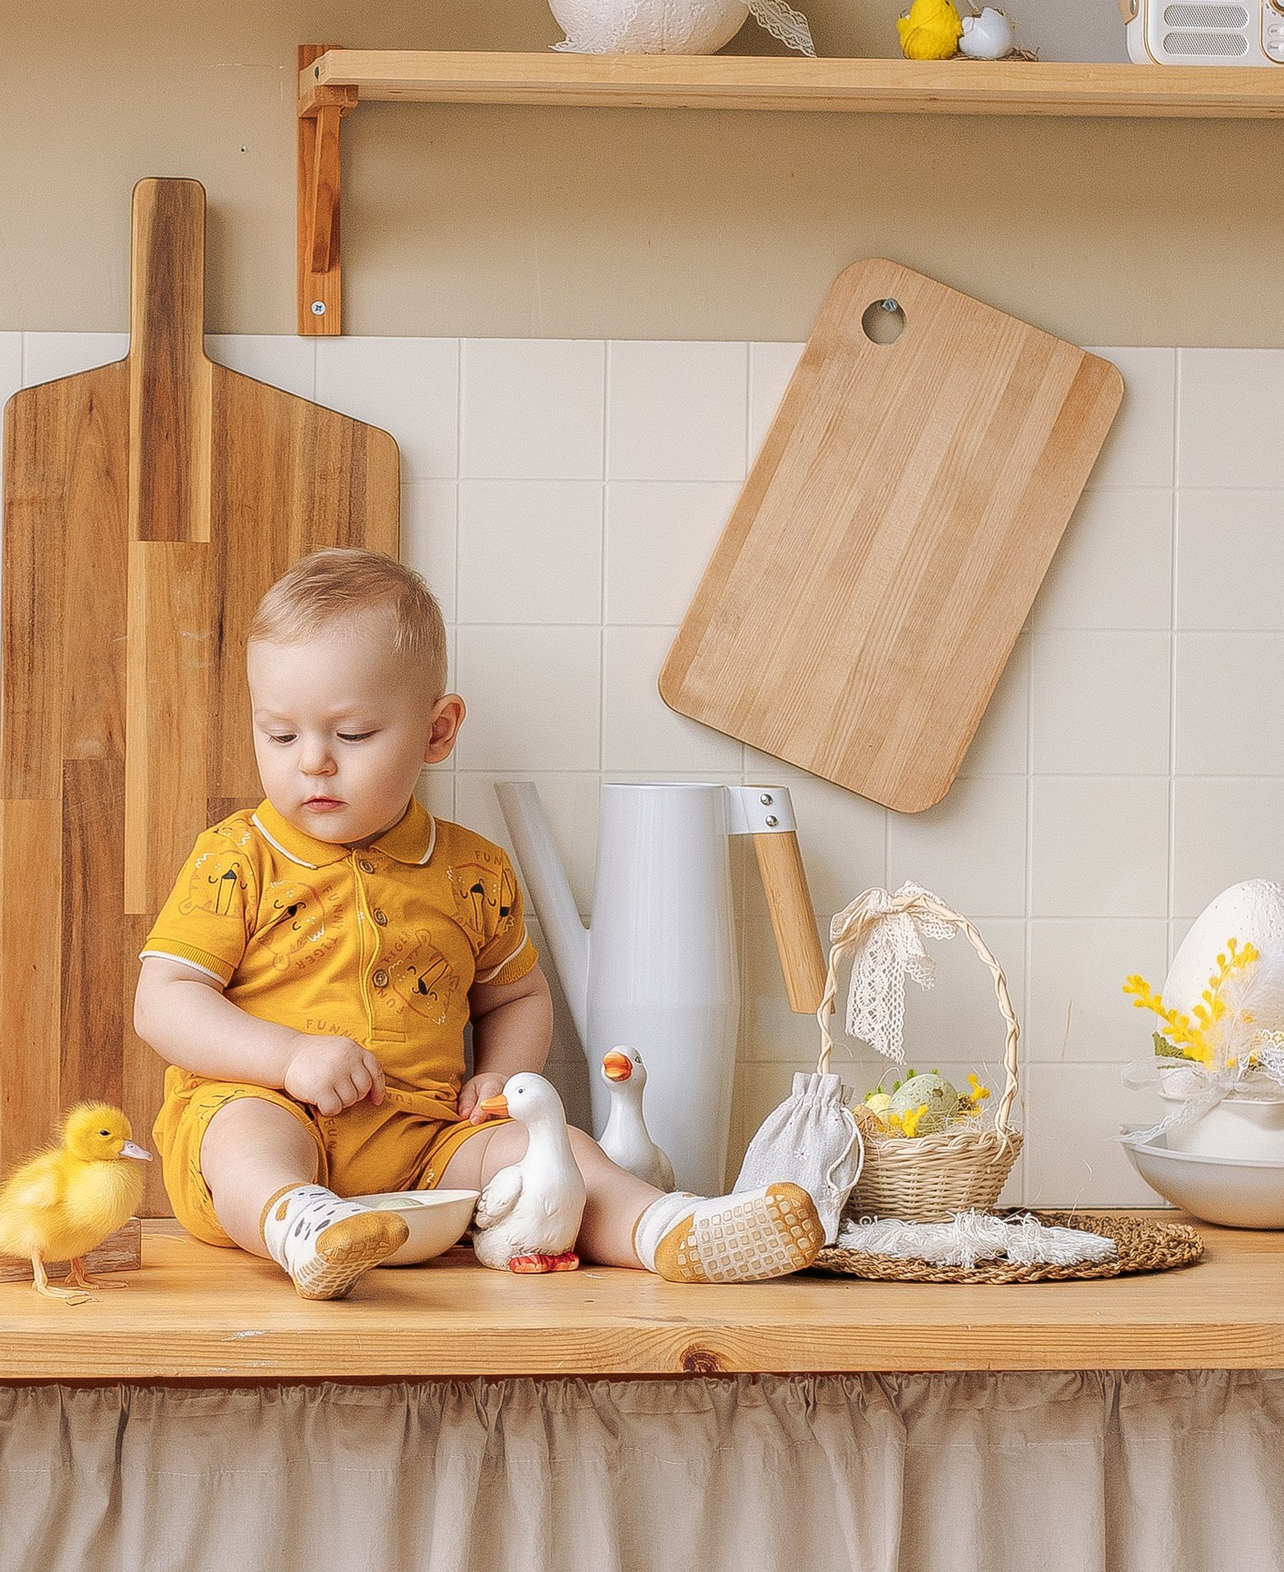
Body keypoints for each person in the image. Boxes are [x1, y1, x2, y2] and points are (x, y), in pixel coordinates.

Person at [134, 548, 823, 1299]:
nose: (314, 763)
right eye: (280, 735)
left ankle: (671, 1229)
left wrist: (501, 1075)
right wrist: (288, 1057)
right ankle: (302, 1225)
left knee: (555, 1146)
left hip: (427, 1143)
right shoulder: (236, 857)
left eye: (352, 735)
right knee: (243, 1139)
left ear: (437, 731)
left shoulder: (472, 870)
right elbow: (164, 1000)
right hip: (266, 1107)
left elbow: (518, 996)